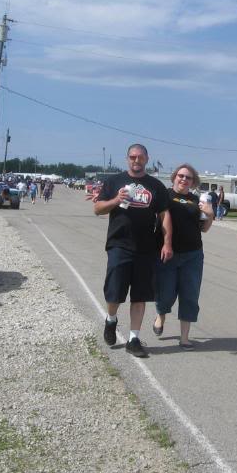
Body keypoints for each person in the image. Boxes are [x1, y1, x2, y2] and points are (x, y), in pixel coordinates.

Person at [94, 144, 172, 358]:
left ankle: (133, 339)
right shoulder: (114, 181)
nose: (136, 161)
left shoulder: (155, 186)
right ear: (127, 158)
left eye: (140, 157)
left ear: (147, 159)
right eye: (132, 157)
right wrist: (116, 200)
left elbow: (164, 216)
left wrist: (167, 242)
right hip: (119, 244)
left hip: (146, 248)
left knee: (140, 296)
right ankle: (111, 319)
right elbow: (98, 209)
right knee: (114, 292)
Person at [152, 164, 214, 350]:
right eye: (180, 176)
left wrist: (210, 215)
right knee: (166, 293)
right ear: (174, 178)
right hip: (167, 254)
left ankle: (184, 338)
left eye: (188, 177)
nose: (184, 179)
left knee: (190, 295)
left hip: (193, 255)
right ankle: (160, 315)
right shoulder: (164, 197)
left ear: (193, 181)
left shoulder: (197, 201)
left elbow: (203, 228)